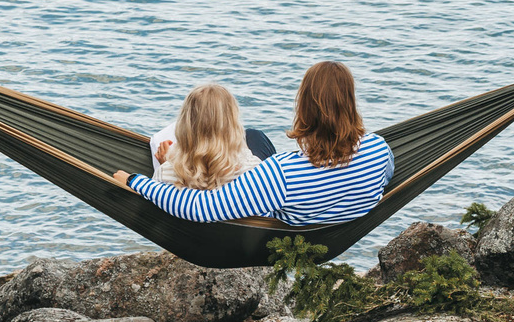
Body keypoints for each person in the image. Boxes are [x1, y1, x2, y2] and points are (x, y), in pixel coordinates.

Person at [114, 61, 393, 224]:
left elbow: (199, 208)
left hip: (275, 235)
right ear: (351, 103)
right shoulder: (379, 149)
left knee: (253, 136)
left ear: (303, 108)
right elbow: (384, 178)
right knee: (253, 137)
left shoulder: (279, 173)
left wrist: (137, 180)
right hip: (339, 224)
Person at [147, 82, 266, 188]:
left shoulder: (164, 173)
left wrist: (167, 163)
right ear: (233, 125)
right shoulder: (253, 170)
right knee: (255, 135)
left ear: (184, 126)